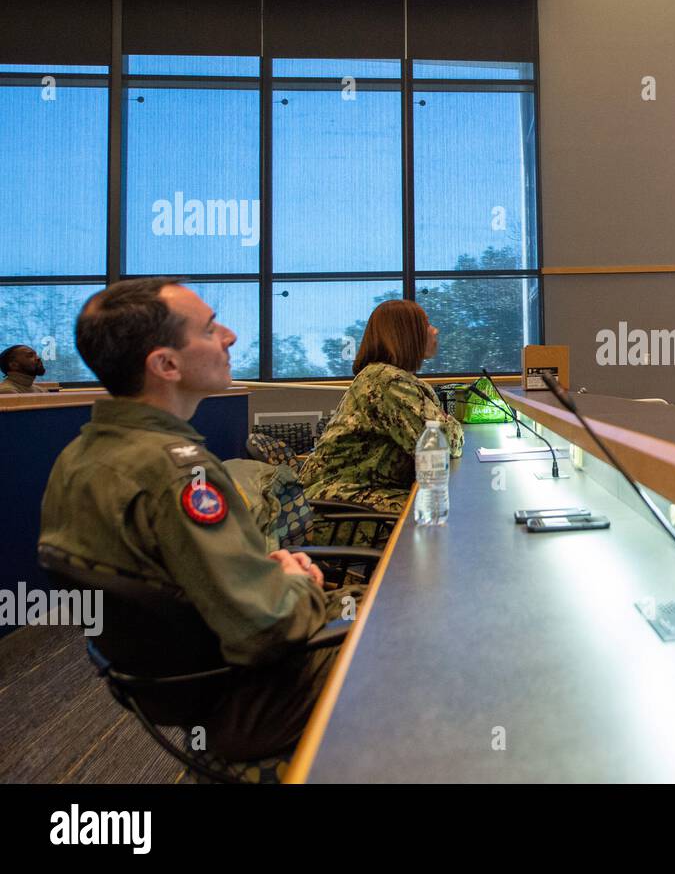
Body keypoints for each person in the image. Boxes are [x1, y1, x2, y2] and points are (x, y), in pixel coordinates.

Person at [40, 278, 357, 765]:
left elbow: (171, 581)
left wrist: (259, 575)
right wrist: (298, 583)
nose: (229, 336)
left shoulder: (79, 457)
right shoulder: (178, 472)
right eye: (210, 329)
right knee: (420, 631)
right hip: (258, 696)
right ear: (166, 365)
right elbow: (267, 628)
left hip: (191, 695)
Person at [299, 299, 464, 514]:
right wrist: (449, 423)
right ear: (407, 334)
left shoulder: (389, 376)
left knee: (443, 506)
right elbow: (446, 444)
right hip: (339, 506)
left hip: (353, 497)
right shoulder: (387, 381)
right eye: (426, 324)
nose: (435, 330)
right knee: (444, 511)